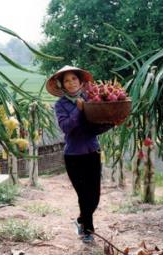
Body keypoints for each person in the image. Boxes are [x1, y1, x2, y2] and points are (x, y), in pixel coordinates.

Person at [46, 65, 112, 243]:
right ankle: (88, 231)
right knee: (84, 195)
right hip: (74, 155)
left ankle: (81, 220)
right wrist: (78, 109)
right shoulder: (60, 105)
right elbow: (66, 127)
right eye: (67, 80)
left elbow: (95, 127)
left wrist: (112, 122)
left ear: (81, 82)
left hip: (92, 151)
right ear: (62, 85)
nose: (71, 82)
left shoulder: (90, 98)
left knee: (95, 196)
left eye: (74, 79)